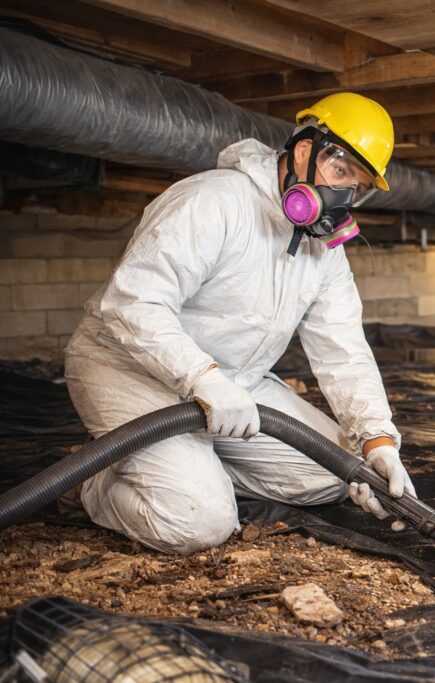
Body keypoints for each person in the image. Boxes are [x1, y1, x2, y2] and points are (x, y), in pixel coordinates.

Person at [63, 92, 415, 554]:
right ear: (305, 151)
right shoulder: (213, 201)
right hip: (130, 369)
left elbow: (343, 350)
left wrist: (377, 438)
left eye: (357, 186)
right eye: (341, 171)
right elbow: (134, 301)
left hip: (234, 387)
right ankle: (97, 481)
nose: (343, 195)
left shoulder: (322, 251)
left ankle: (188, 468)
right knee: (199, 524)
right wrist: (202, 377)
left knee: (340, 471)